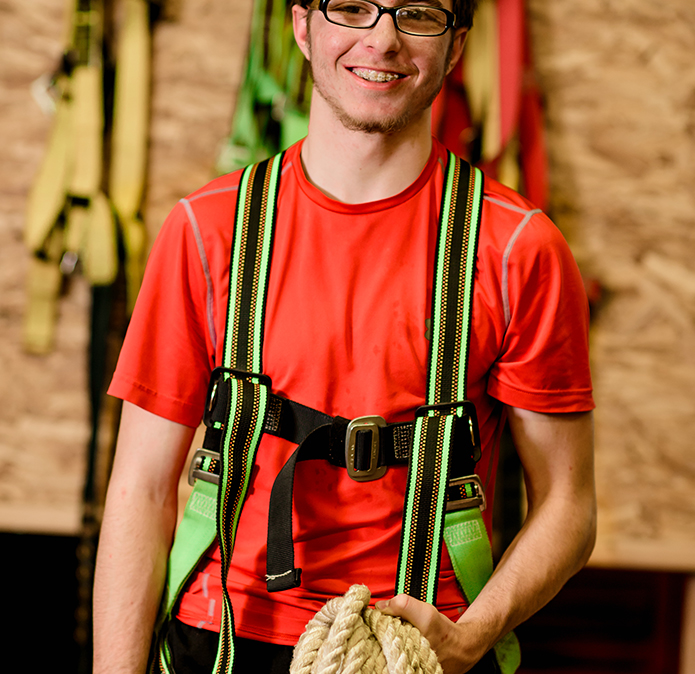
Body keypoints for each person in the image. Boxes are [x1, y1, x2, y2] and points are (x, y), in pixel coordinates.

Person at [93, 0, 597, 672]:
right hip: (218, 641)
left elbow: (568, 504)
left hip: (416, 649)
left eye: (417, 13)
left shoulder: (515, 251)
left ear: (457, 44)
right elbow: (140, 490)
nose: (382, 40)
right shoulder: (206, 233)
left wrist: (475, 634)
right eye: (352, 8)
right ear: (302, 27)